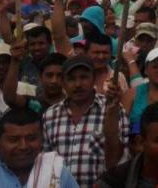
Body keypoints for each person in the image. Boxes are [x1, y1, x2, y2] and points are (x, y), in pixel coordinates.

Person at [42, 55, 128, 187]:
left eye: (84, 77)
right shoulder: (50, 116)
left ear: (94, 79)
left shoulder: (113, 109)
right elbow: (46, 163)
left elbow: (123, 160)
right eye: (71, 79)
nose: (78, 84)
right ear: (63, 82)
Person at [0, 108, 79, 187]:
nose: (23, 146)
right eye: (13, 139)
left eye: (31, 138)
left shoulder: (55, 171)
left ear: (42, 140)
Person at [3, 41, 66, 114]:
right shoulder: (35, 104)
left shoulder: (73, 104)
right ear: (40, 77)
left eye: (59, 76)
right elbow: (10, 98)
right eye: (49, 75)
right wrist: (15, 61)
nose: (54, 81)